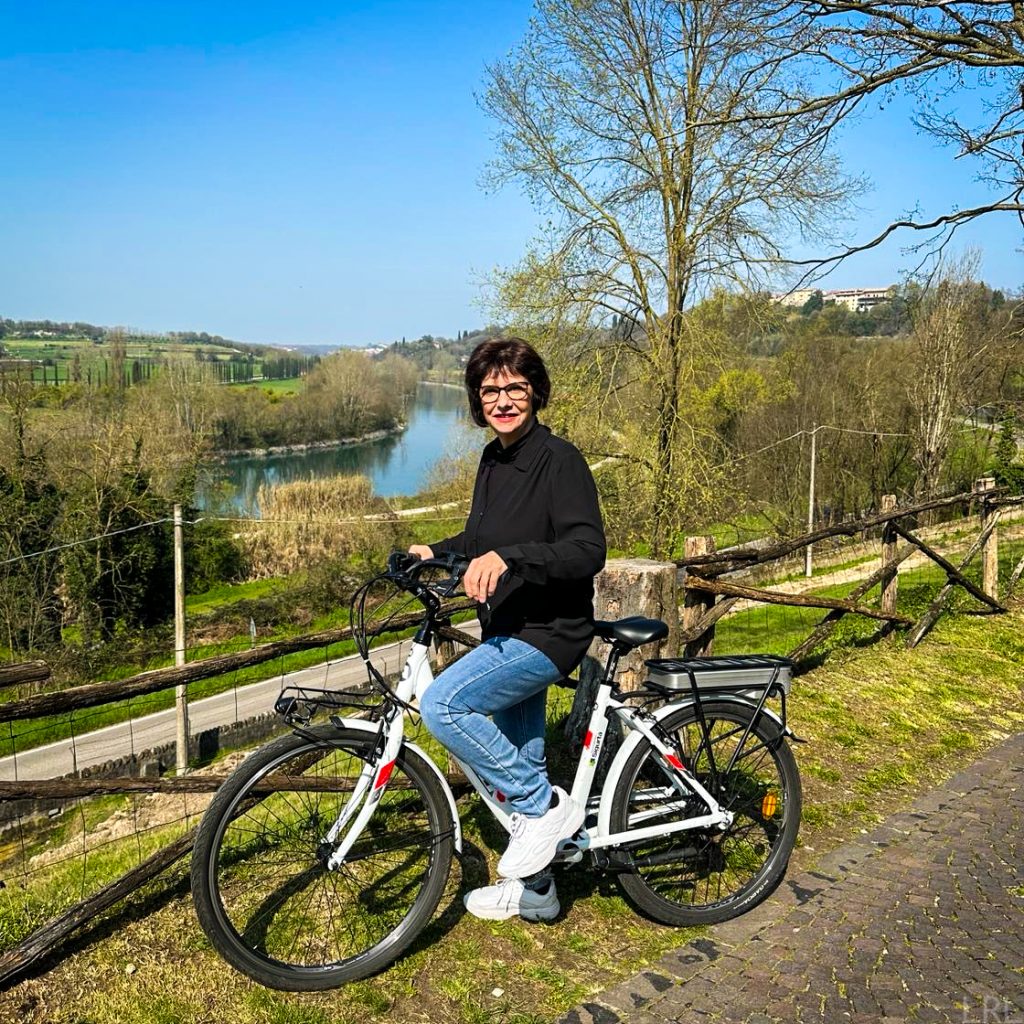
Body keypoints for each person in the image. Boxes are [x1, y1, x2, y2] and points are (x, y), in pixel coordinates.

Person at [411, 337, 606, 922]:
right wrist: (432, 551)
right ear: (477, 399)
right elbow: (479, 541)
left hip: (550, 632)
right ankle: (539, 892)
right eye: (489, 390)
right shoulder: (492, 461)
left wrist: (513, 558)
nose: (501, 400)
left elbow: (587, 548)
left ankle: (544, 809)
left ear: (535, 392)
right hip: (507, 628)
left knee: (444, 704)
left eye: (513, 388)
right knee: (523, 754)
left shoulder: (560, 460)